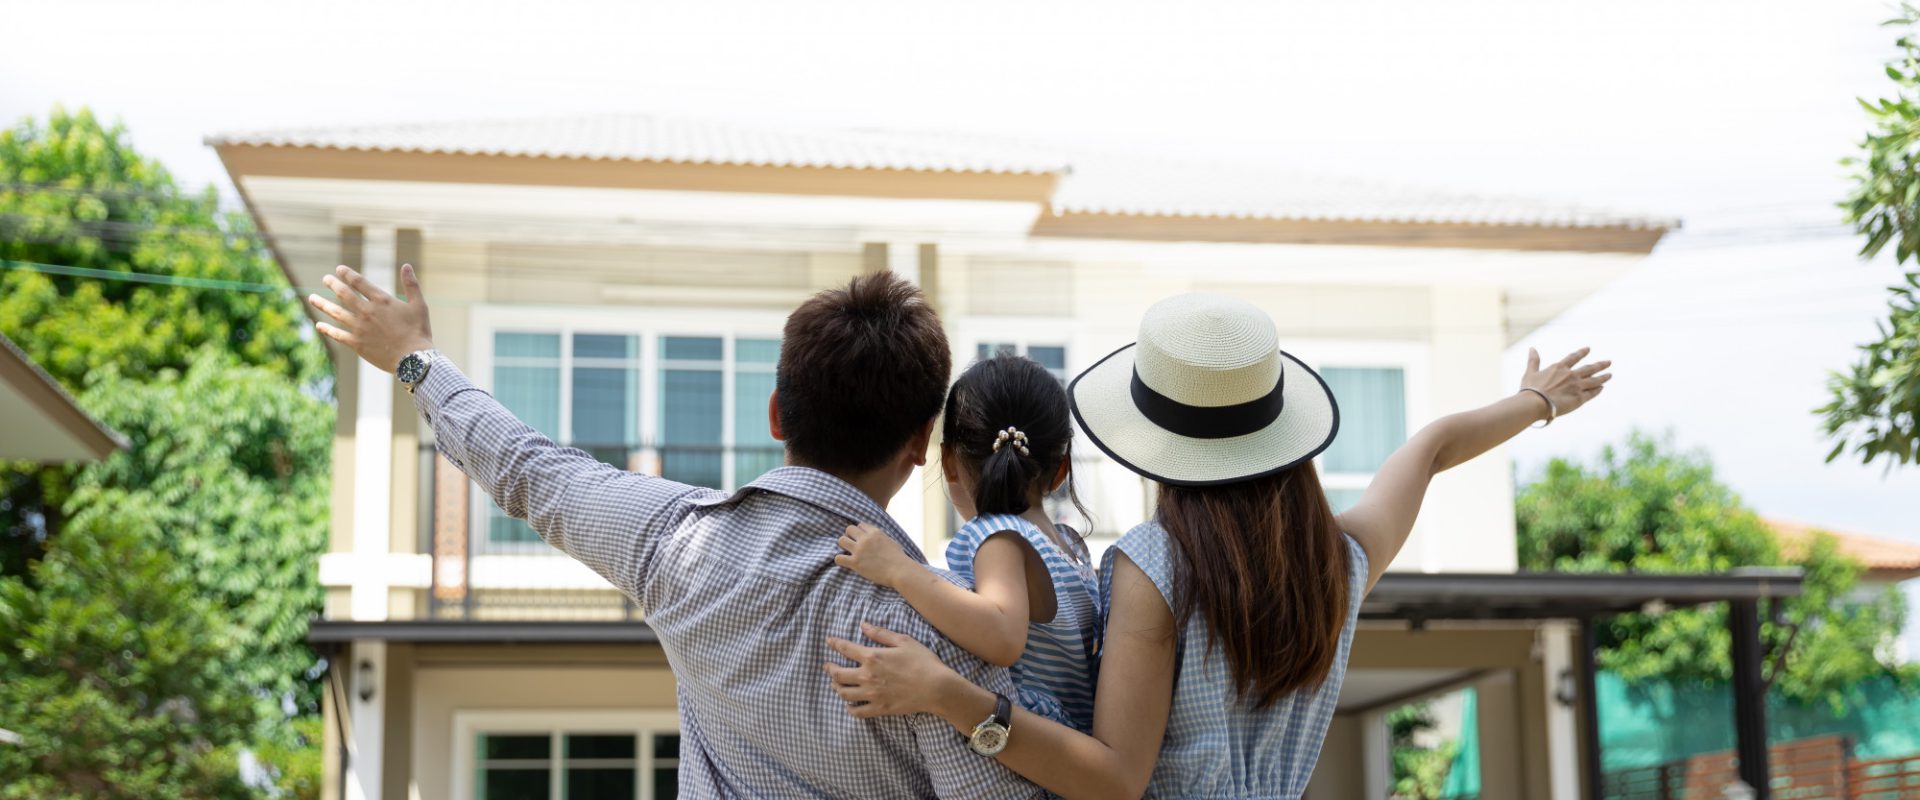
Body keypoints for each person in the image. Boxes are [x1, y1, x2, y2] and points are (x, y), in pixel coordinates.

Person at [824, 293, 1611, 799]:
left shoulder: (1151, 565)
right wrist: (1534, 403)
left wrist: (945, 693)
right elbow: (1431, 450)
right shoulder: (1336, 565)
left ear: (1157, 446)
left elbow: (1114, 778)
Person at [308, 265, 1039, 798]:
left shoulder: (676, 544)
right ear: (920, 442)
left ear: (776, 414)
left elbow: (529, 470)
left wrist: (416, 363)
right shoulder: (940, 637)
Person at [834, 354, 1102, 732]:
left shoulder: (997, 537)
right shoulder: (1071, 547)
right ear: (1061, 469)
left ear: (948, 462)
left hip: (1033, 752)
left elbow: (1002, 636)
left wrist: (899, 570)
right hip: (1071, 747)